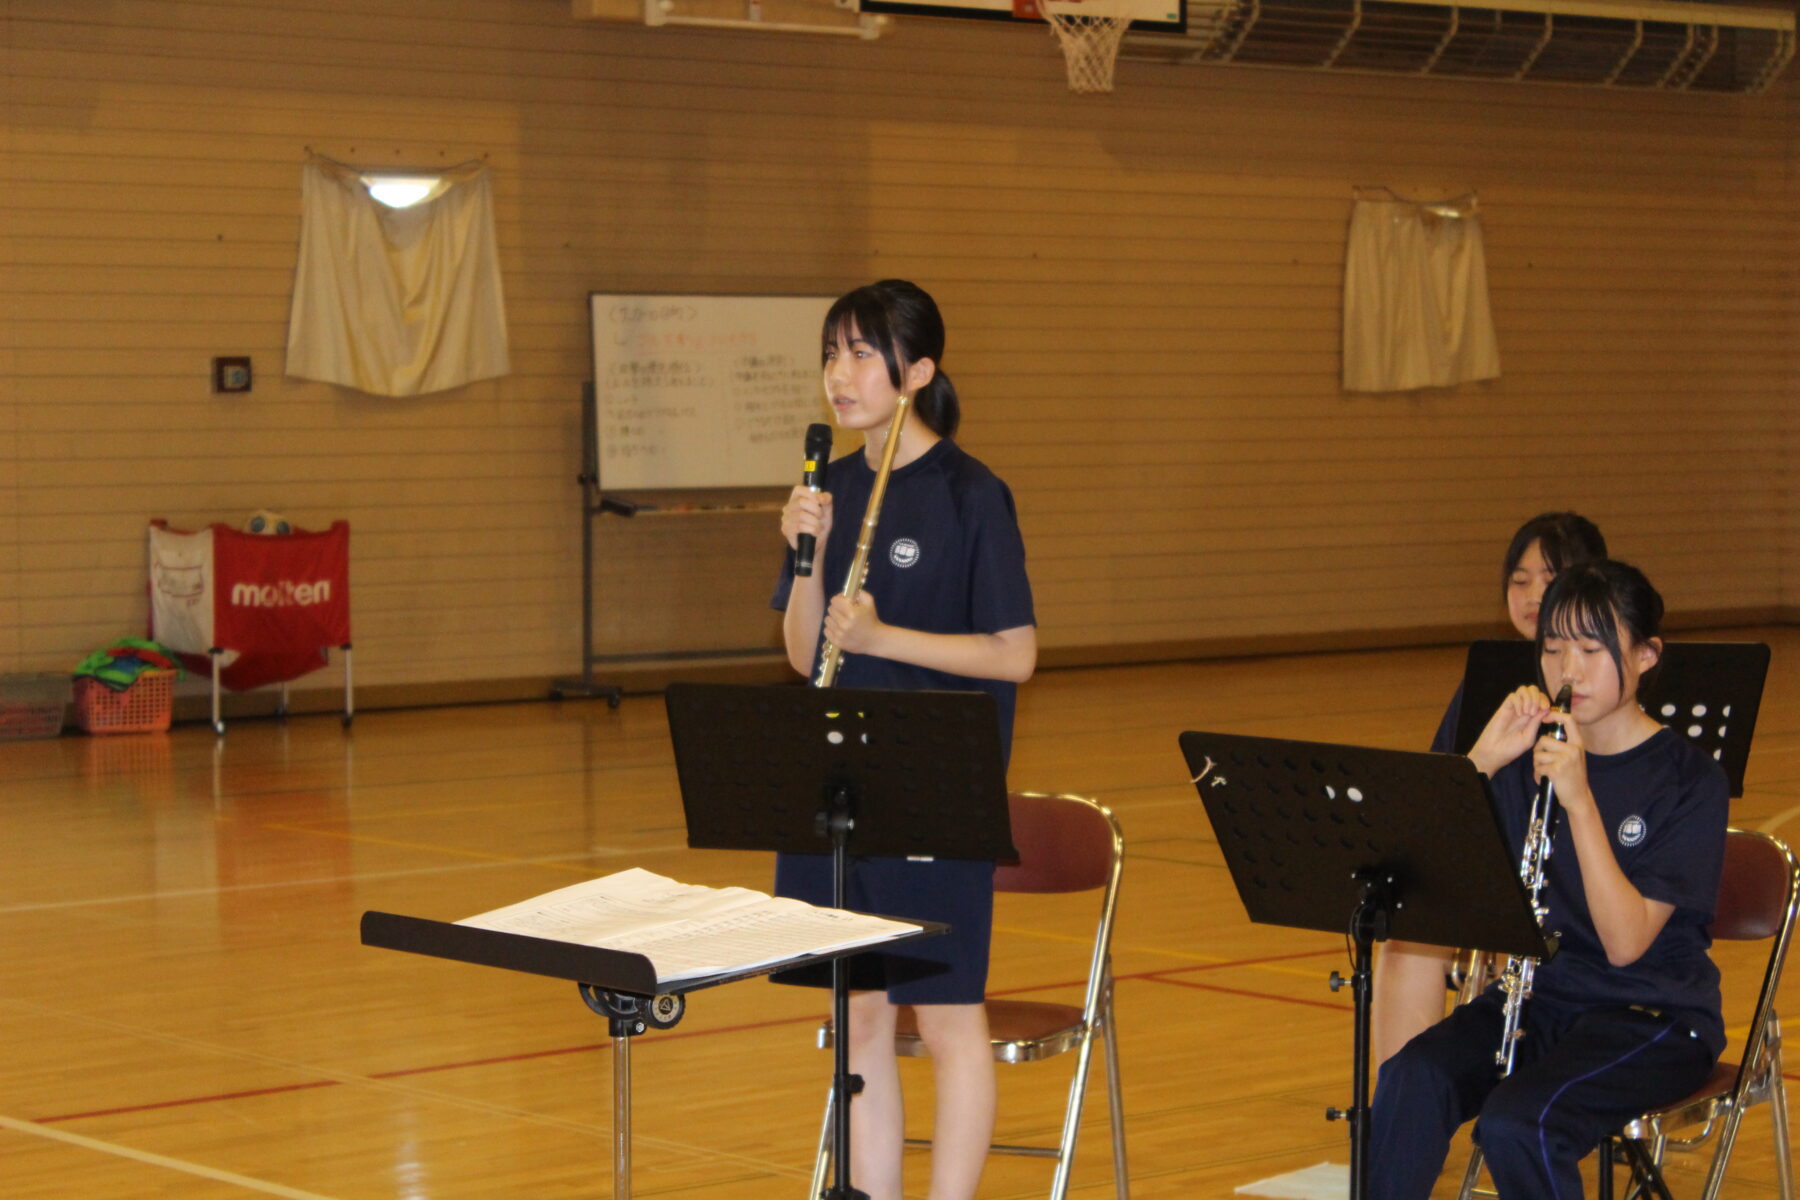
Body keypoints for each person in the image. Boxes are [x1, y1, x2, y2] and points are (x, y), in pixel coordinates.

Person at [770, 279, 1037, 1200]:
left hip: (937, 790)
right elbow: (806, 655)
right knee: (862, 1025)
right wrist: (805, 557)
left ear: (917, 372)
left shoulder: (972, 495)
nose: (838, 374)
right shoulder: (827, 490)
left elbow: (1016, 654)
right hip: (841, 791)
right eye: (831, 353)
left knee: (951, 1019)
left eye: (860, 354)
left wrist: (886, 638)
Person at [1369, 559, 1727, 1199]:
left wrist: (1581, 802)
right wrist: (1481, 762)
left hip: (1652, 1016)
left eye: (1593, 649)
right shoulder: (1526, 757)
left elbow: (1625, 944)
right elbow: (1413, 872)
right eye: (1554, 648)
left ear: (1646, 656)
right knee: (1412, 1076)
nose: (1569, 671)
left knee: (1519, 1123)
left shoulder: (1690, 781)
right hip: (1542, 1000)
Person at [1373, 512, 1608, 1067]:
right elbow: (1439, 794)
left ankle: (1527, 1101)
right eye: (1518, 579)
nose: (1530, 594)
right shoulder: (1488, 677)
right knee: (1409, 931)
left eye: (1549, 576)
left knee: (1524, 943)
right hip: (1496, 872)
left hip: (1582, 875)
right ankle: (1401, 1116)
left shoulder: (1609, 682)